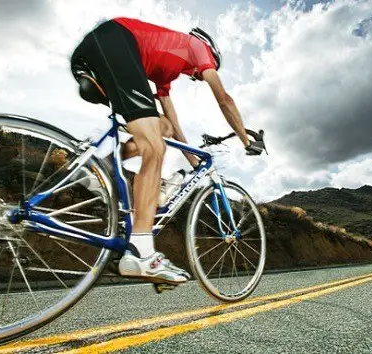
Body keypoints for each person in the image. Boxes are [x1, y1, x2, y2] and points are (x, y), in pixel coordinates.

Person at [70, 18, 264, 285]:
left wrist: (194, 161)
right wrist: (246, 139)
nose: (198, 76)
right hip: (118, 41)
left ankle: (100, 166)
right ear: (210, 52)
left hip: (95, 51)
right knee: (155, 147)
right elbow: (223, 98)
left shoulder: (165, 75)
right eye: (206, 69)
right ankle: (141, 251)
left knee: (162, 128)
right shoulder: (197, 46)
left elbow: (174, 126)